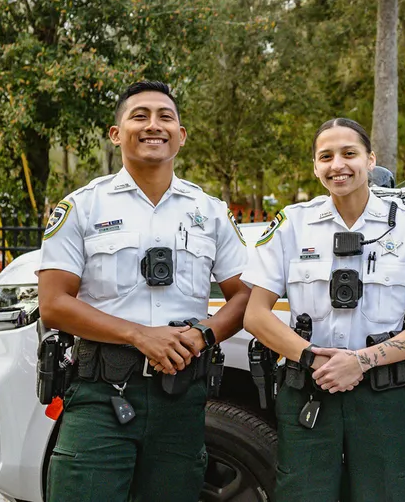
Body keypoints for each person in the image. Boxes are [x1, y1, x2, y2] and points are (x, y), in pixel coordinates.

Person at [37, 80, 251, 501]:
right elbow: (54, 304)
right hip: (101, 395)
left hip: (181, 398)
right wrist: (139, 334)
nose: (154, 125)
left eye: (165, 116)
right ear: (116, 134)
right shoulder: (83, 206)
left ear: (181, 135)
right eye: (140, 116)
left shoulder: (210, 212)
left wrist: (203, 334)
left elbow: (245, 296)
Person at [241, 118, 405, 501]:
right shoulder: (293, 224)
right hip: (309, 389)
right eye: (326, 156)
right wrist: (310, 358)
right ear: (315, 166)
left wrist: (361, 361)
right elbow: (255, 314)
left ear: (371, 160)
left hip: (381, 397)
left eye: (349, 153)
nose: (337, 164)